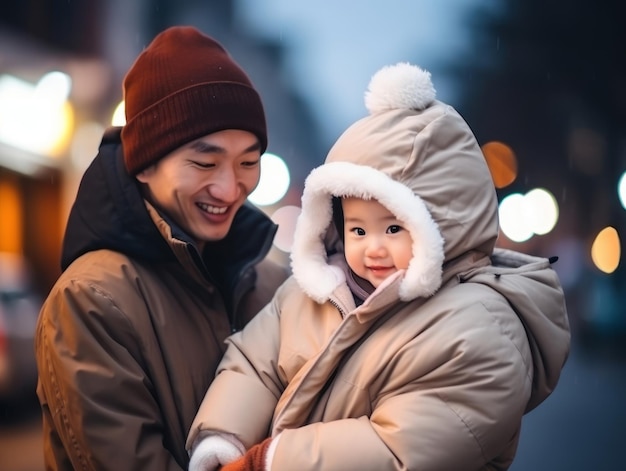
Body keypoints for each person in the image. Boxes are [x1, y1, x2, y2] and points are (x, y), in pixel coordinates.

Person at [185, 62, 571, 471]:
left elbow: (397, 450)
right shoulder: (310, 294)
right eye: (357, 230)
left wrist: (268, 460)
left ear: (442, 227)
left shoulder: (481, 328)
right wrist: (223, 442)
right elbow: (252, 363)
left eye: (392, 227)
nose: (373, 249)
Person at [34, 25, 289, 470]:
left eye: (249, 162)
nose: (230, 188)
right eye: (204, 162)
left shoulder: (271, 280)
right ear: (145, 164)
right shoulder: (92, 302)